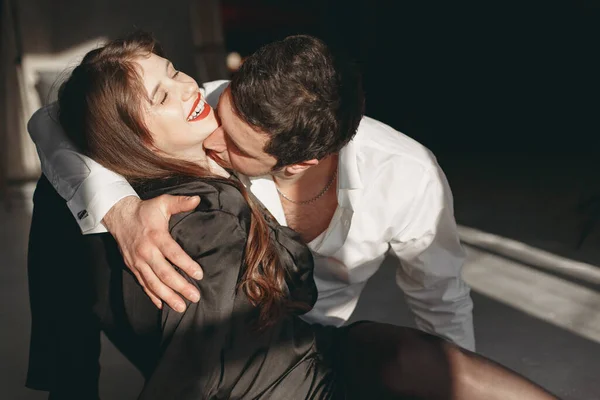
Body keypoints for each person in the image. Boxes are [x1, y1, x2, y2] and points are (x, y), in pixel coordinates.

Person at [27, 32, 558, 399]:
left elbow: (441, 300)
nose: (211, 130)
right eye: (220, 108)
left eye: (231, 143)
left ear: (298, 162)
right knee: (60, 198)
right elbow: (53, 118)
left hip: (314, 342)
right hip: (225, 347)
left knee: (413, 360)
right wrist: (118, 209)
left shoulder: (406, 175)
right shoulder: (209, 111)